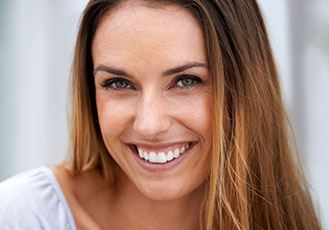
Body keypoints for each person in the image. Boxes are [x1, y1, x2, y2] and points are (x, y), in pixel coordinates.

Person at [0, 0, 321, 229]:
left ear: (244, 90)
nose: (149, 124)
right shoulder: (23, 216)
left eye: (186, 81)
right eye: (118, 83)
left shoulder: (287, 217)